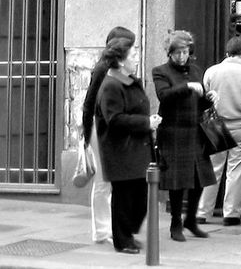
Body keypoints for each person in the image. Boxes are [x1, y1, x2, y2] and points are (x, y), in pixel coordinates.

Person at [95, 36, 163, 255]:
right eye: (133, 55)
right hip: (120, 149)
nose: (136, 58)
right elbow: (114, 119)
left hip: (136, 146)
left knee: (141, 196)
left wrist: (148, 122)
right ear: (121, 60)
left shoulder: (128, 79)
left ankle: (128, 233)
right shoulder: (111, 84)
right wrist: (146, 123)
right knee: (124, 197)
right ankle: (123, 240)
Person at [152, 30, 217, 242]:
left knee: (200, 178)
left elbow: (201, 101)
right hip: (173, 131)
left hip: (195, 129)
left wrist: (210, 98)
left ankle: (191, 219)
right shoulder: (160, 71)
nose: (182, 57)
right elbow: (164, 95)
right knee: (177, 181)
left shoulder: (197, 70)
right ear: (169, 53)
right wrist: (186, 86)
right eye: (177, 53)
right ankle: (175, 223)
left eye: (185, 52)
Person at [197, 35, 241, 226]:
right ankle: (231, 214)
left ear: (227, 53)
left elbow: (204, 99)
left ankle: (203, 211)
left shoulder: (211, 72)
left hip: (216, 124)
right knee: (236, 171)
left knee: (213, 168)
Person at [80, 26, 136, 244]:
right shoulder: (103, 69)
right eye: (129, 46)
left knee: (111, 181)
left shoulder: (119, 69)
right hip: (101, 128)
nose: (132, 50)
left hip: (113, 129)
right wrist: (86, 136)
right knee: (104, 181)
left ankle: (109, 228)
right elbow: (89, 103)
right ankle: (102, 231)